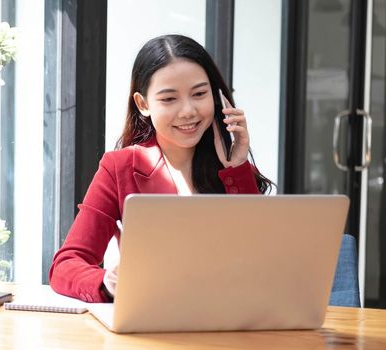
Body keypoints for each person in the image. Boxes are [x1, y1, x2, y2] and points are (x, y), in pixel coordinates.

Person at [48, 34, 274, 303]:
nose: (188, 111)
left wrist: (237, 167)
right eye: (169, 99)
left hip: (230, 321)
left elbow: (262, 262)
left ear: (217, 98)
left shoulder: (230, 170)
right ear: (143, 104)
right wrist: (106, 282)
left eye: (200, 94)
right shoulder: (120, 168)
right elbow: (66, 265)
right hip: (152, 323)